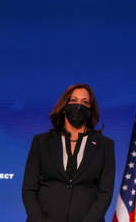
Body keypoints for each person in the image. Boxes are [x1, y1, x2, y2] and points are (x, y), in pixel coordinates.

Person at [22, 84, 115, 222]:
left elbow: (105, 193)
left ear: (90, 109)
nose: (79, 106)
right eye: (74, 101)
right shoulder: (41, 142)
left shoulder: (105, 145)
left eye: (85, 102)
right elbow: (29, 189)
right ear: (64, 106)